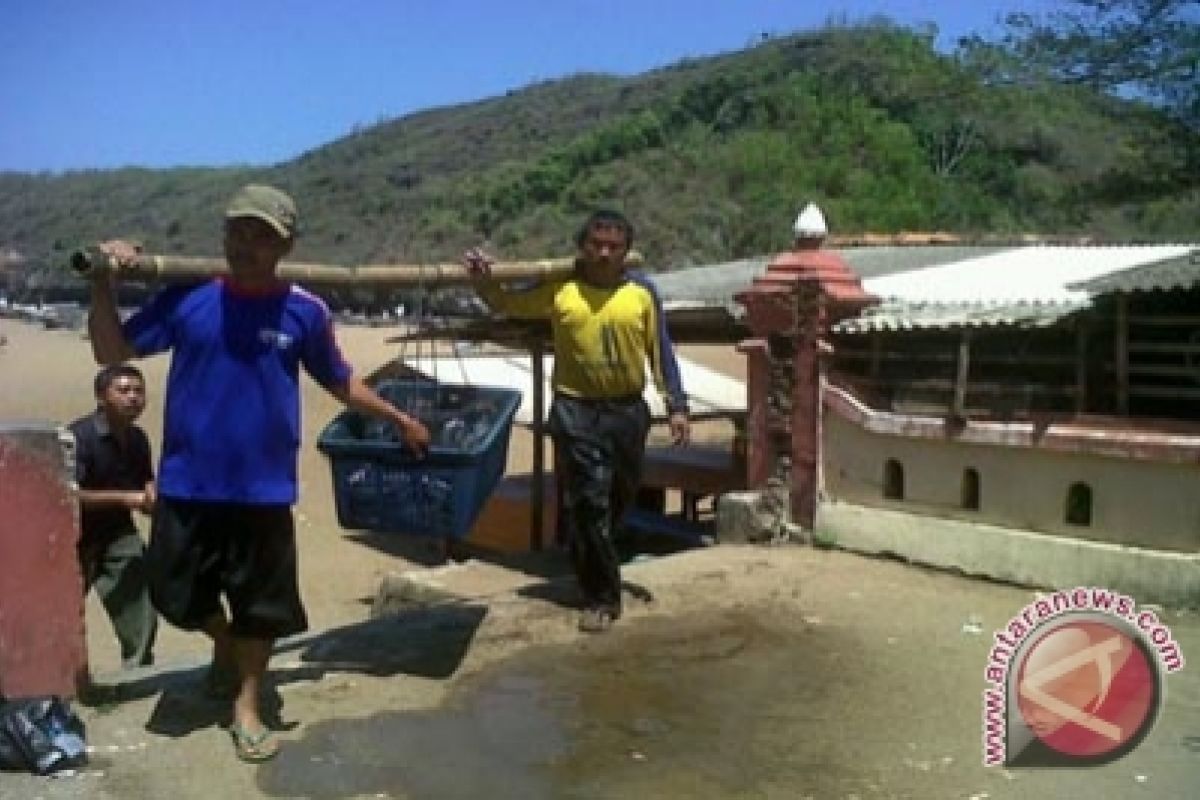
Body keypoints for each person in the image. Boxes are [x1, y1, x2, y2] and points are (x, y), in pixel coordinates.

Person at [85, 184, 430, 763]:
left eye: (261, 235)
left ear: (286, 243)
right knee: (175, 594)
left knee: (260, 606)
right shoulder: (188, 297)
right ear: (223, 236)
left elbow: (339, 380)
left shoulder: (305, 310)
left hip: (264, 488)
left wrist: (398, 418)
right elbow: (110, 350)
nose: (246, 244)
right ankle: (225, 647)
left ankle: (248, 703)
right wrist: (102, 284)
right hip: (187, 482)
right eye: (237, 232)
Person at [464, 209, 690, 633]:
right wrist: (483, 278)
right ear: (582, 248)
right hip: (575, 410)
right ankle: (602, 596)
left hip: (626, 410)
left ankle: (590, 564)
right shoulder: (559, 289)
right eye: (596, 245)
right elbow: (507, 302)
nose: (604, 254)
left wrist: (676, 404)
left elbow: (660, 349)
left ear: (626, 252)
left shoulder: (642, 293)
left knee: (620, 498)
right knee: (590, 500)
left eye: (613, 247)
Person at [69, 363, 158, 671]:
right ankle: (67, 688)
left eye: (138, 391)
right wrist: (128, 498)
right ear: (101, 397)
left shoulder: (138, 439)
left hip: (118, 533)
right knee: (64, 617)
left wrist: (152, 495)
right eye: (123, 390)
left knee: (142, 610)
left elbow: (145, 481)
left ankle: (135, 674)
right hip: (73, 539)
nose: (132, 398)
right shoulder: (77, 438)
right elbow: (69, 495)